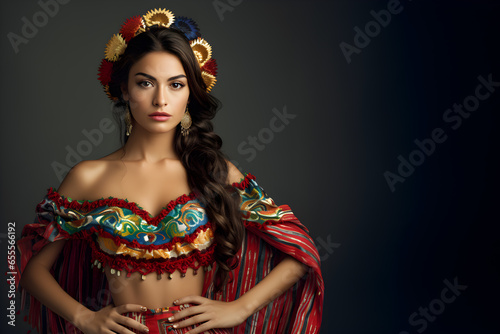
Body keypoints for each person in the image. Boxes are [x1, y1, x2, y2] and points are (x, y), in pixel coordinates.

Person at [16, 8, 324, 334]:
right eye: (145, 83)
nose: (161, 99)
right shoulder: (88, 177)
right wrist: (85, 317)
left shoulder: (215, 172)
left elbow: (300, 251)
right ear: (123, 90)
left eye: (176, 85)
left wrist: (239, 308)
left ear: (190, 94)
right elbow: (30, 267)